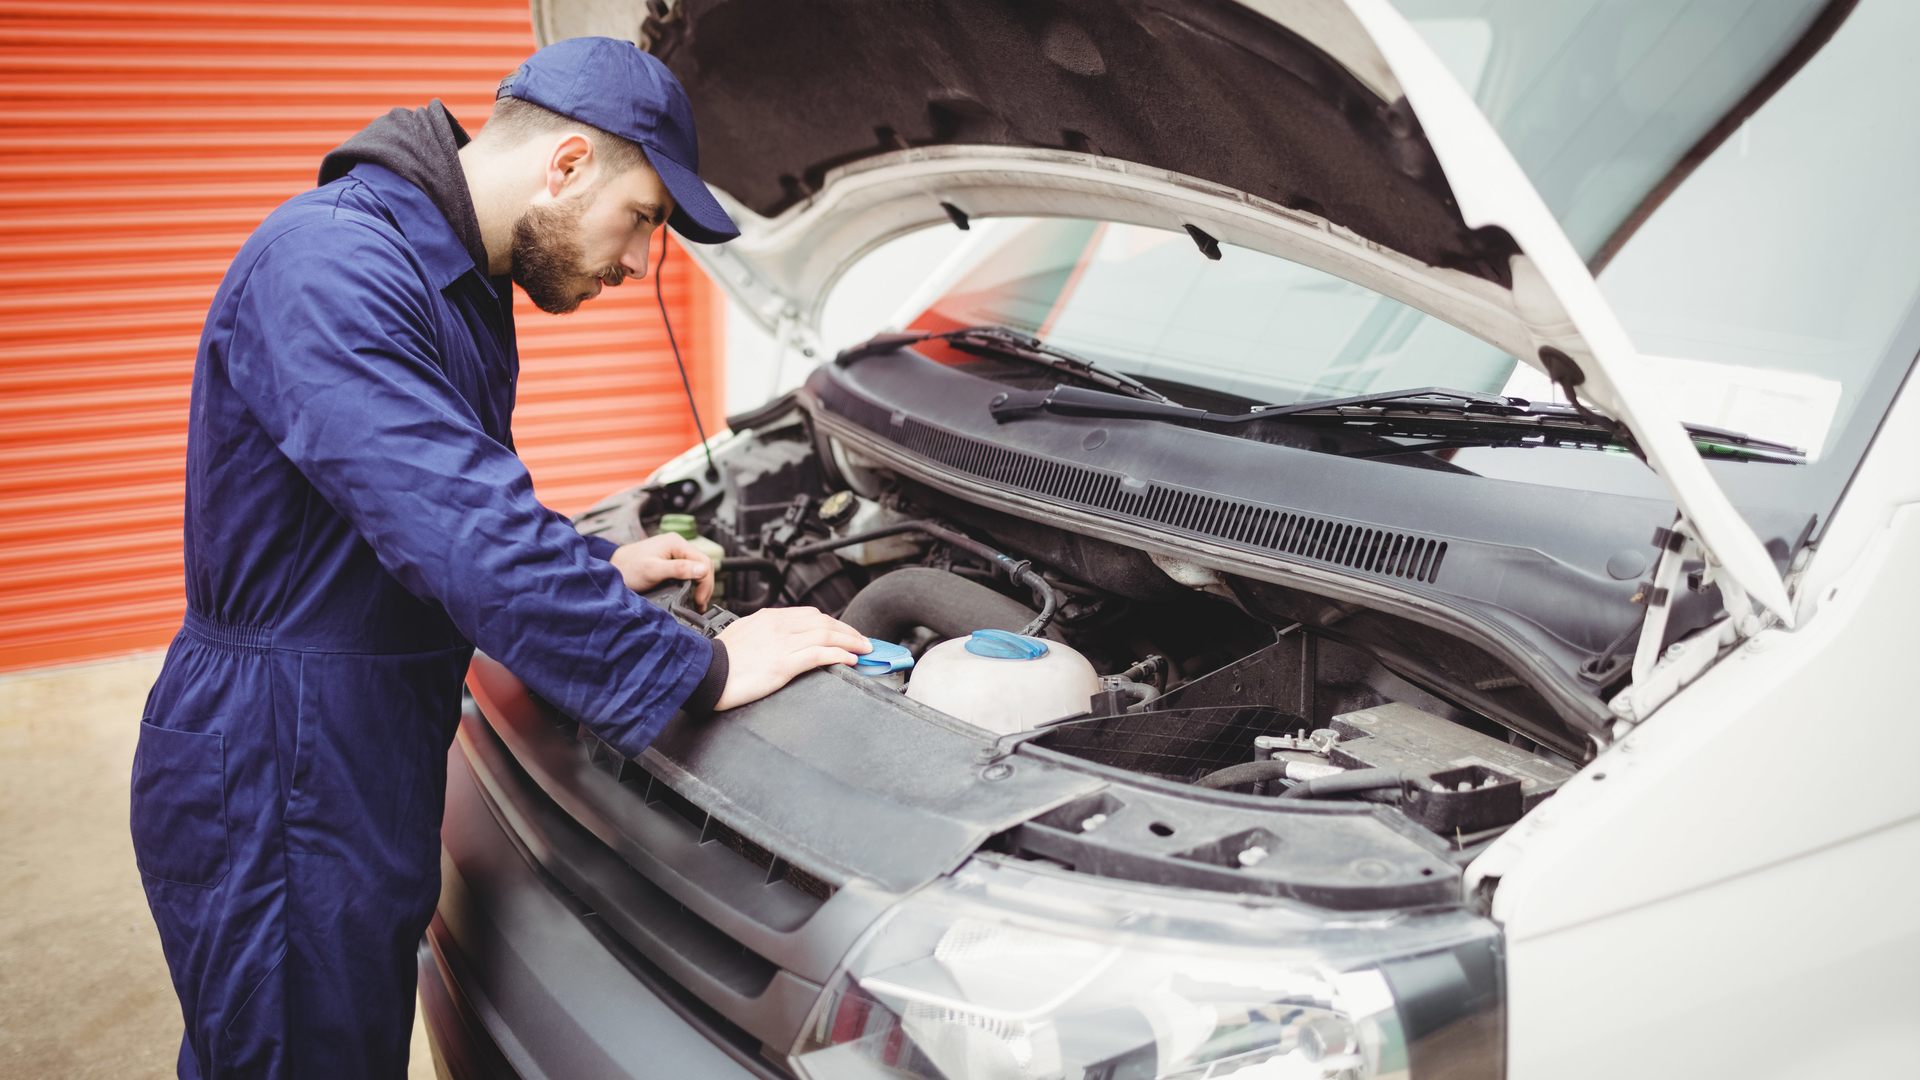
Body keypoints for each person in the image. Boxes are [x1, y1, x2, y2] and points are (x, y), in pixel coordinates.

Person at [130, 37, 868, 1079]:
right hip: (281, 761)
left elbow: (418, 505)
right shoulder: (335, 266)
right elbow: (457, 526)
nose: (636, 262)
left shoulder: (450, 279)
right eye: (645, 218)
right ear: (567, 165)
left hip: (347, 745)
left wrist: (592, 570)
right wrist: (698, 666)